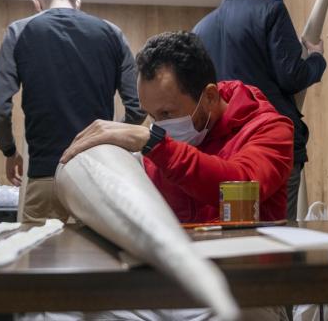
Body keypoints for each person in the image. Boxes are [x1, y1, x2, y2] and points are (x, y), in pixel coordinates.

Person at [62, 31, 294, 223]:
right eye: (152, 116)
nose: (160, 126)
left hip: (251, 272)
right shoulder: (161, 151)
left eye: (167, 113)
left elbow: (240, 185)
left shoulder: (270, 130)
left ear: (210, 97)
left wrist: (154, 143)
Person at [0, 0, 146, 222]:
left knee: (40, 256)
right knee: (99, 258)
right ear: (77, 3)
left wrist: (9, 152)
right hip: (98, 175)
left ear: (36, 3)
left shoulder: (18, 31)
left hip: (46, 175)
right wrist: (111, 139)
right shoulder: (111, 32)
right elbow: (138, 106)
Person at [192, 0, 327, 221]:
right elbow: (292, 77)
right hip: (270, 142)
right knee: (278, 231)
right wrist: (316, 59)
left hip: (222, 148)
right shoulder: (271, 11)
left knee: (232, 227)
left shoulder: (200, 28)